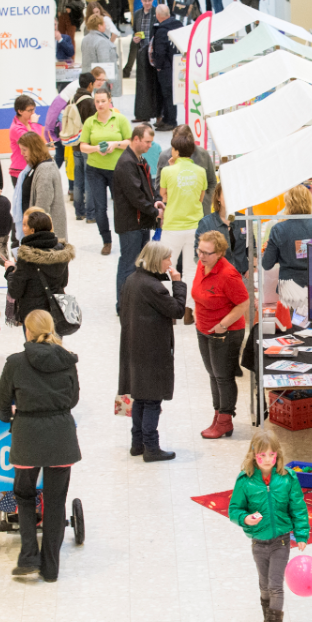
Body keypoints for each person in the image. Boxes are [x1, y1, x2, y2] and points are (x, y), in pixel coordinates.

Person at [0, 309, 81, 583]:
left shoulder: (16, 362)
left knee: (24, 494)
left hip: (27, 436)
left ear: (28, 332)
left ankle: (28, 556)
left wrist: (9, 419)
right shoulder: (67, 361)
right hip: (61, 437)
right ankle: (51, 568)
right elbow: (73, 399)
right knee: (56, 502)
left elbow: (1, 403)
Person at [227, 428, 311, 622]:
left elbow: (298, 508)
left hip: (281, 541)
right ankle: (268, 621)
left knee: (275, 585)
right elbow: (234, 509)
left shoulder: (287, 479)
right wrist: (245, 519)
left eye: (271, 455)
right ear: (253, 455)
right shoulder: (245, 481)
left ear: (278, 455)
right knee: (264, 585)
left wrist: (301, 534)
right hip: (258, 542)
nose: (267, 460)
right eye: (262, 456)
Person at [118, 240, 185, 462]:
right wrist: (178, 283)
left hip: (134, 347)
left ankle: (137, 443)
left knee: (140, 397)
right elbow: (177, 310)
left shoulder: (132, 279)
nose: (170, 262)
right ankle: (152, 448)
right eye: (167, 258)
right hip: (152, 351)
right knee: (153, 400)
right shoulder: (153, 287)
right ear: (157, 260)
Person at [195, 231, 250, 440]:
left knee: (223, 377)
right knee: (212, 374)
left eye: (207, 253)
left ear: (219, 253)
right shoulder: (202, 266)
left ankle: (225, 421)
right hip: (204, 329)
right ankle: (218, 415)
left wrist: (222, 325)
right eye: (200, 250)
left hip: (224, 333)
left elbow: (243, 303)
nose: (201, 256)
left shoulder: (228, 274)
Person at [112, 123, 164, 312]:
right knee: (128, 263)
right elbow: (136, 196)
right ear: (136, 139)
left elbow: (149, 187)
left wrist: (157, 201)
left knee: (139, 263)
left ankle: (134, 301)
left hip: (141, 221)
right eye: (147, 142)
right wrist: (154, 211)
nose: (150, 145)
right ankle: (123, 305)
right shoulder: (126, 163)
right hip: (130, 223)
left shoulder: (139, 160)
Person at [159, 129, 208, 321]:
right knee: (191, 270)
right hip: (195, 226)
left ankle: (169, 309)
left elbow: (164, 195)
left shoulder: (167, 171)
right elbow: (200, 197)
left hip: (173, 225)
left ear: (177, 151)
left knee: (165, 266)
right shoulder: (201, 171)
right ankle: (188, 310)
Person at [261, 185, 312, 313]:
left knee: (292, 328)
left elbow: (267, 264)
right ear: (309, 202)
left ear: (288, 203)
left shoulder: (279, 229)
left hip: (290, 288)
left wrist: (278, 252)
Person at [79, 87, 133, 255]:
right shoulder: (90, 122)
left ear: (110, 101)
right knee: (100, 207)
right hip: (95, 170)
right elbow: (82, 146)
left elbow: (130, 142)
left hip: (118, 170)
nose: (100, 104)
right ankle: (106, 240)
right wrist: (96, 148)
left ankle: (125, 238)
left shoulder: (120, 119)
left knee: (121, 205)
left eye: (103, 101)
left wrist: (114, 145)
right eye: (97, 101)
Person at [5, 210, 75, 324]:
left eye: (25, 225)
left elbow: (15, 291)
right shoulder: (61, 251)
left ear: (33, 230)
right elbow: (64, 282)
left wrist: (10, 270)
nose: (23, 228)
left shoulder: (27, 257)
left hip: (33, 315)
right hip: (56, 313)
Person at [18, 132, 67, 240]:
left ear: (34, 148)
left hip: (44, 234)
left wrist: (32, 229)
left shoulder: (45, 169)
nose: (22, 153)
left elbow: (42, 206)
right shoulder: (37, 165)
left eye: (24, 149)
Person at [157, 125, 217, 215]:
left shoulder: (203, 155)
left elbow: (212, 182)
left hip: (200, 212)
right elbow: (159, 187)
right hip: (175, 213)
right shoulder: (164, 156)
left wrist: (206, 200)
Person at [70, 70, 102, 222]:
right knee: (90, 179)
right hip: (87, 146)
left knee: (78, 179)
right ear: (90, 84)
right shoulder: (90, 101)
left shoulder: (72, 99)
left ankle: (79, 212)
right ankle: (91, 214)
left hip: (74, 145)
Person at [195, 183, 248, 275]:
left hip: (241, 276)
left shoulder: (244, 220)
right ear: (218, 197)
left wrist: (251, 267)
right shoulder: (206, 223)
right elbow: (198, 253)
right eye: (226, 194)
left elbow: (251, 246)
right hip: (216, 277)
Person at [150, 4, 182, 130]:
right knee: (171, 94)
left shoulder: (162, 30)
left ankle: (170, 121)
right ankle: (167, 118)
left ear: (158, 16)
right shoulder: (178, 25)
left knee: (167, 94)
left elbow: (160, 51)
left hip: (166, 68)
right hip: (179, 65)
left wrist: (158, 66)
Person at [130, 0, 161, 122]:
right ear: (141, 1)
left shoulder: (157, 13)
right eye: (145, 1)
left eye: (149, 1)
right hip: (142, 52)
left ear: (153, 0)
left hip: (154, 53)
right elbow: (134, 31)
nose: (147, 3)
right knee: (142, 84)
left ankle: (159, 114)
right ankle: (142, 114)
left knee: (156, 84)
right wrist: (134, 38)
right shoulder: (137, 14)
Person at [80, 14, 121, 99]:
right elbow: (104, 63)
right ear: (99, 26)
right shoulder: (101, 41)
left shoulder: (85, 39)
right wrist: (110, 80)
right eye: (104, 23)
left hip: (88, 78)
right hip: (100, 82)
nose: (105, 26)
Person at [6, 95, 44, 187]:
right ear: (20, 111)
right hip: (20, 171)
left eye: (33, 109)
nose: (33, 113)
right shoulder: (16, 128)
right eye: (30, 110)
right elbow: (33, 141)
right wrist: (35, 123)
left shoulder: (29, 123)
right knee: (24, 201)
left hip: (32, 168)